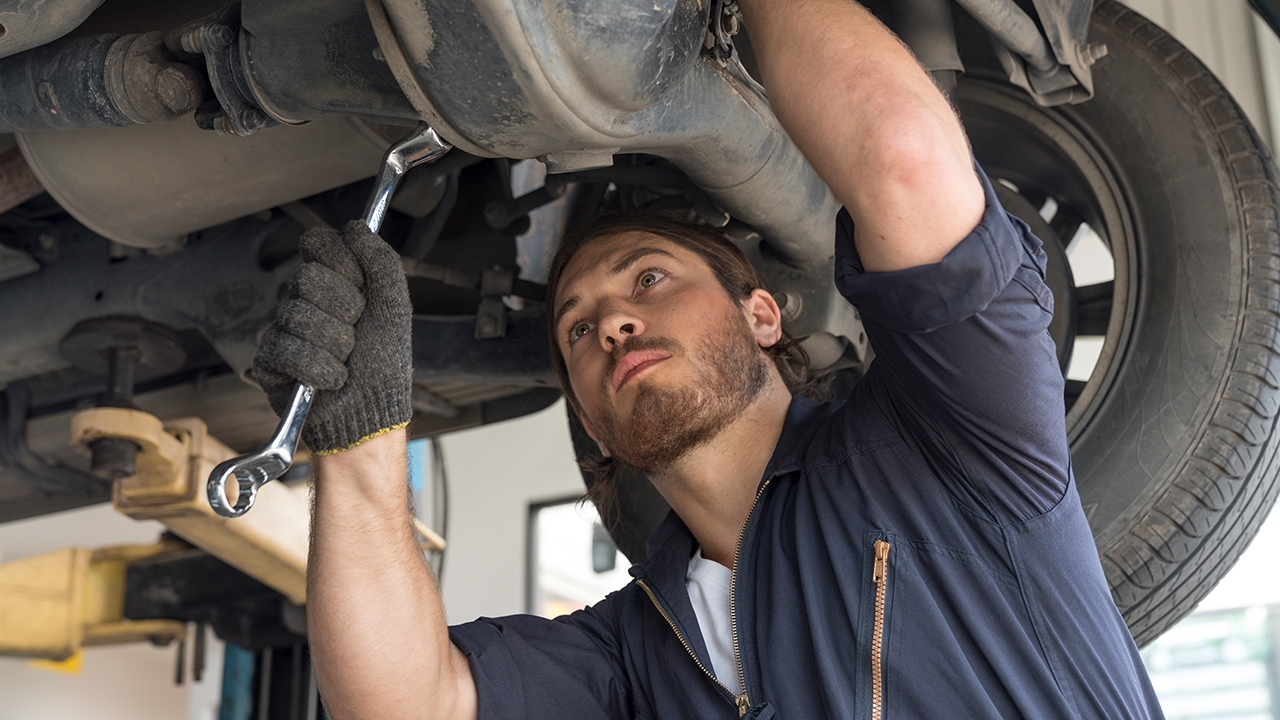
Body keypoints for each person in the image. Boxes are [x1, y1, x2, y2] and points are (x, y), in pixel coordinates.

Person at [251, 0, 1165, 718]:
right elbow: (406, 703)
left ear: (764, 313)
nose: (609, 322)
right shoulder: (637, 651)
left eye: (647, 279)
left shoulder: (947, 451)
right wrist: (361, 441)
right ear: (590, 426)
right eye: (576, 328)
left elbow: (904, 159)